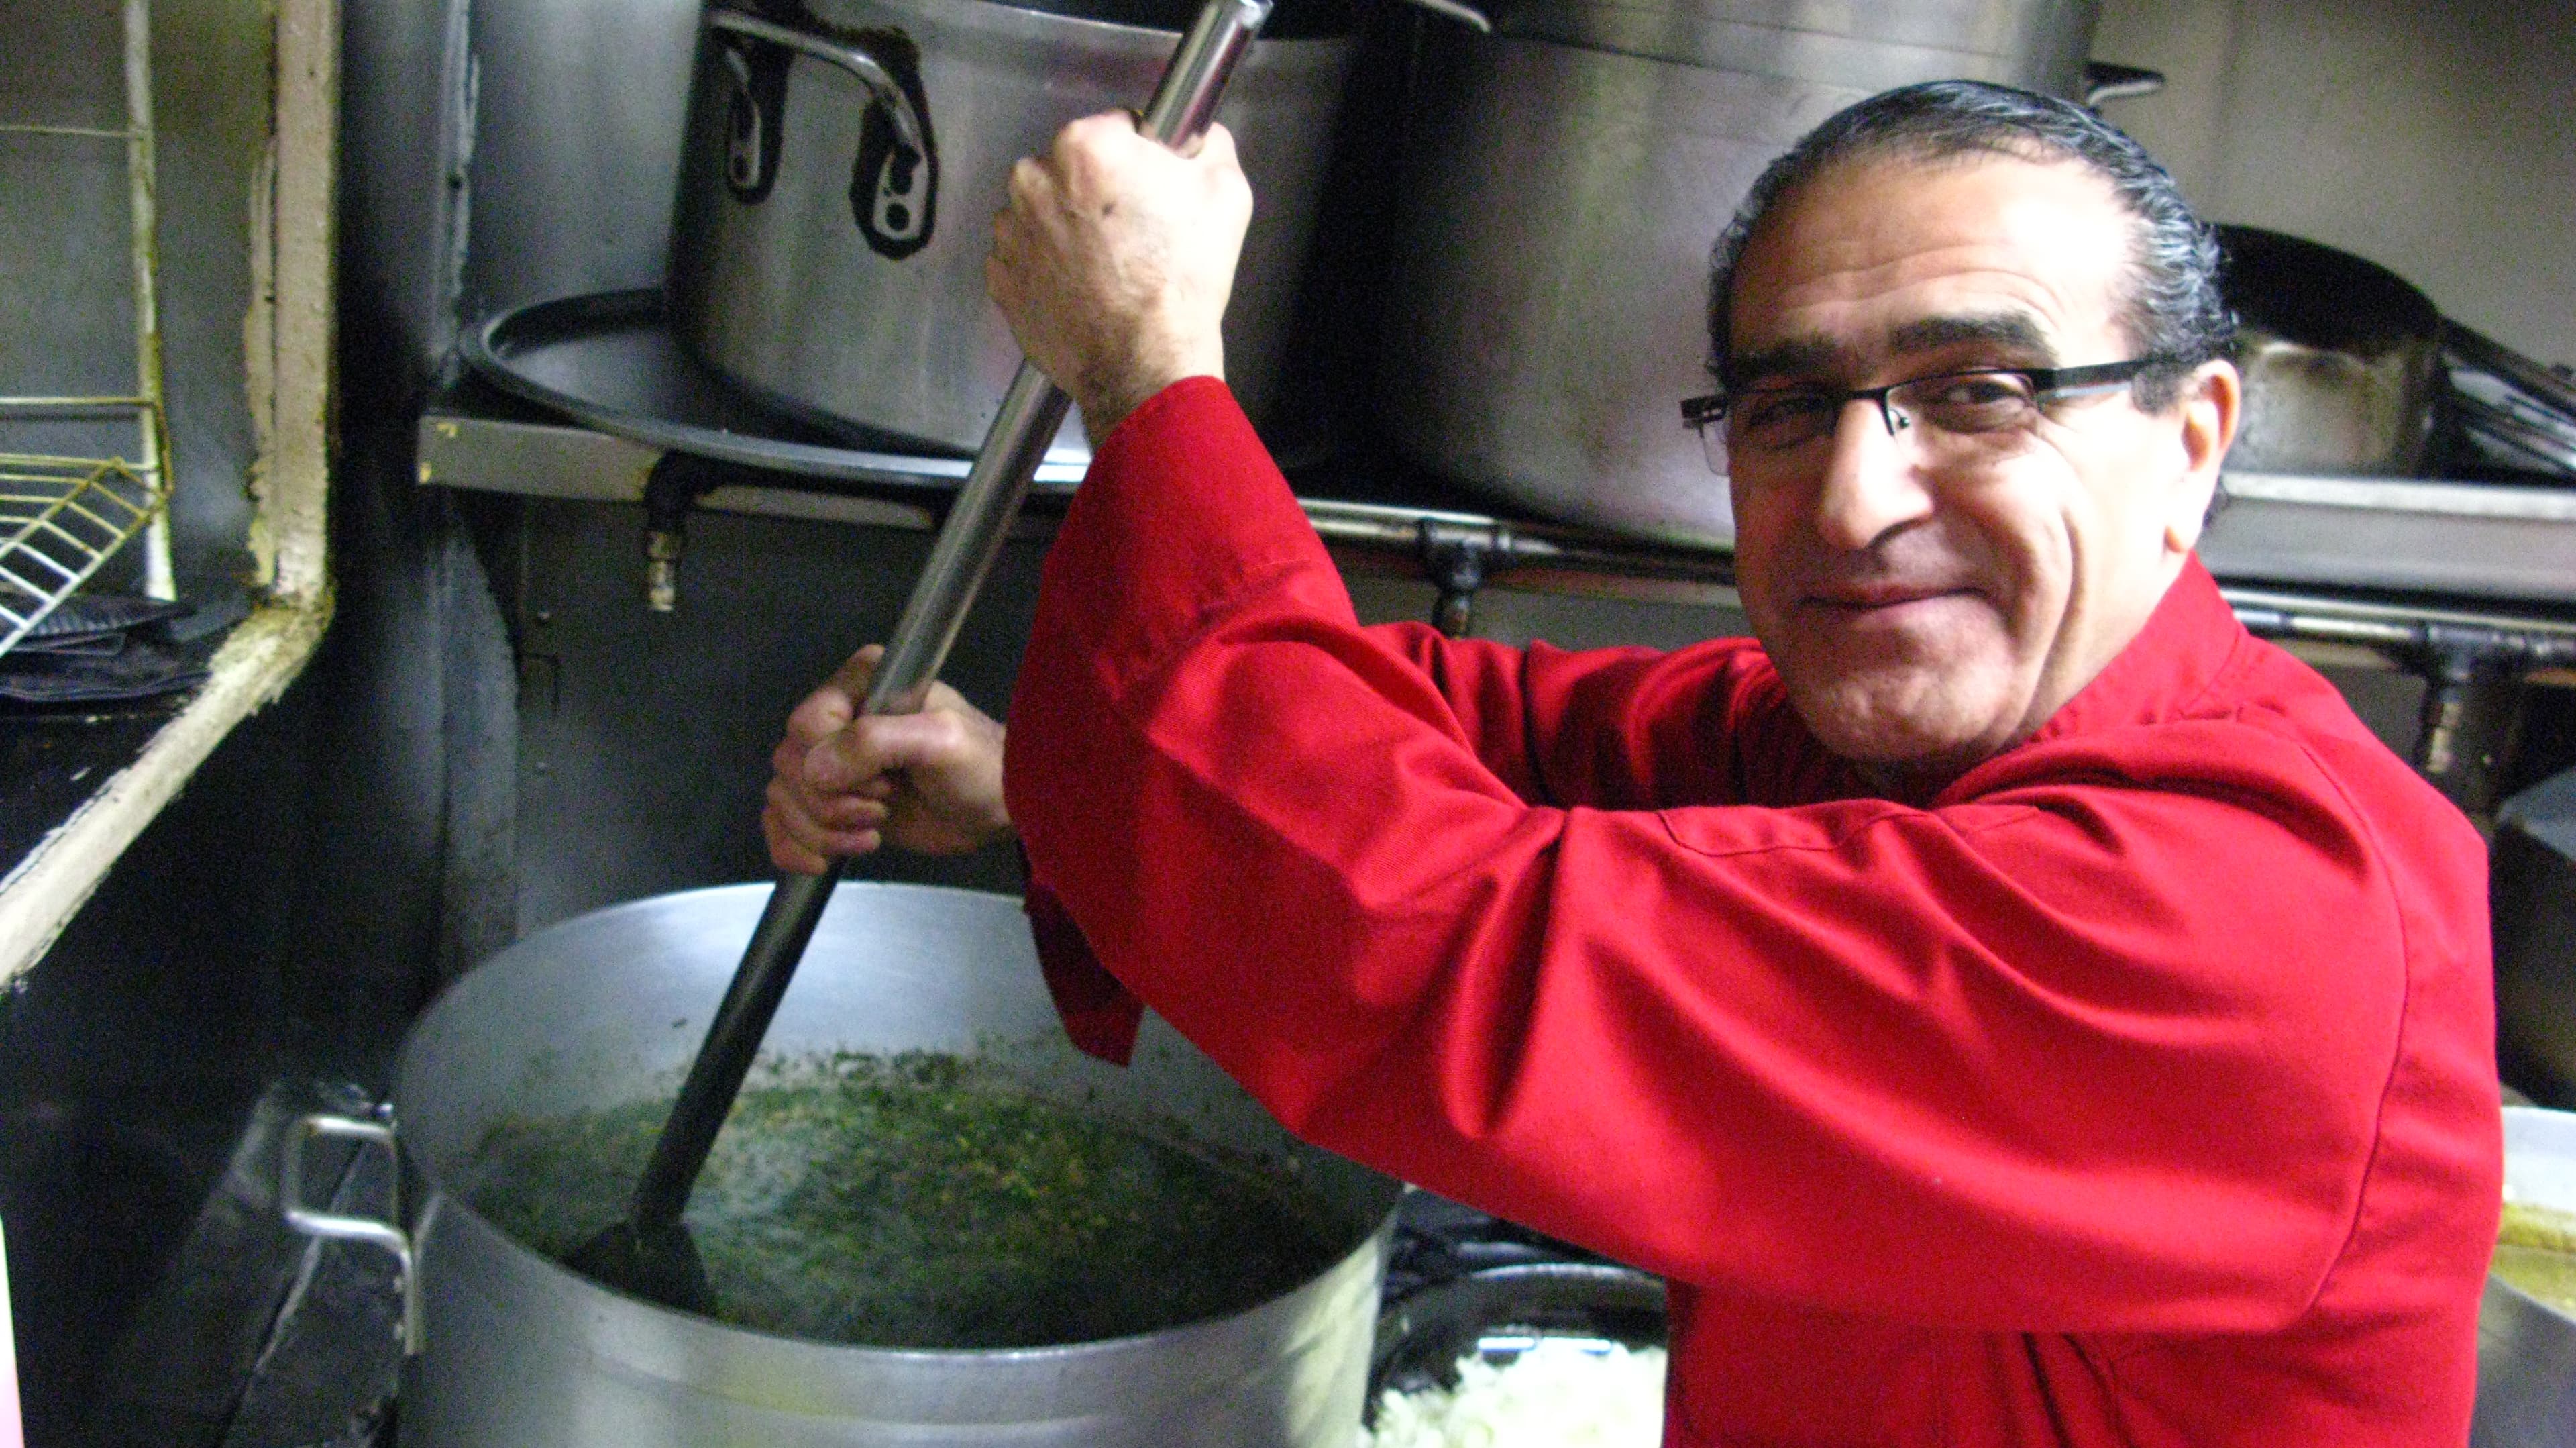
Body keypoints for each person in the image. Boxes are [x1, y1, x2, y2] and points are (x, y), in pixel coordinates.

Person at [765, 81, 2500, 1446]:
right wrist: (1037, 777)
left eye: (1978, 389)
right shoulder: (1885, 755)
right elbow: (1480, 748)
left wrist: (1155, 375)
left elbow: (1455, 940)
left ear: (2190, 444)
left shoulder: (2255, 910)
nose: (1854, 498)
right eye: (1787, 409)